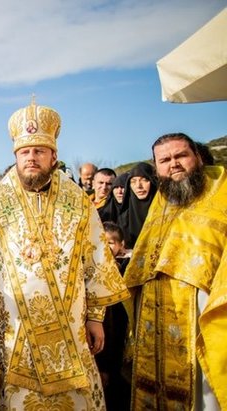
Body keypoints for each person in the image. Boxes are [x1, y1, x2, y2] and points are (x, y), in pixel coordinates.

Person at [0, 99, 129, 409]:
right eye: (25, 152)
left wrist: (95, 317)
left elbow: (95, 258)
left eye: (39, 151)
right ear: (16, 156)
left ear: (54, 156)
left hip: (71, 320)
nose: (31, 158)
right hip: (14, 321)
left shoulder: (77, 199)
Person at [124, 132, 227, 410]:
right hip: (156, 317)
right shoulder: (162, 203)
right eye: (165, 160)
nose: (174, 164)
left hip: (202, 315)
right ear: (157, 168)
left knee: (204, 393)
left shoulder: (222, 193)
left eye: (181, 155)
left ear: (197, 157)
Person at [96, 222, 130, 411]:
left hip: (120, 346)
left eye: (111, 243)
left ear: (121, 245)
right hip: (103, 350)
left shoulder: (127, 272)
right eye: (102, 242)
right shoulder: (95, 275)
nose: (106, 248)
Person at [118, 162, 157, 249]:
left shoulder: (166, 211)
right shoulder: (124, 219)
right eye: (133, 181)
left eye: (144, 180)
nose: (138, 186)